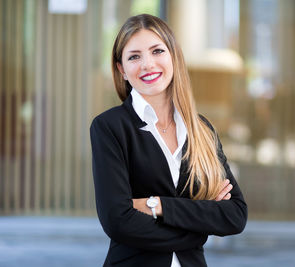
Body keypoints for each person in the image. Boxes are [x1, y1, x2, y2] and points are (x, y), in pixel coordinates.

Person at [90, 14, 247, 267]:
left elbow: (235, 215)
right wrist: (198, 226)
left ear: (173, 56)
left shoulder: (201, 129)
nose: (147, 64)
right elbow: (118, 221)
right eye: (134, 56)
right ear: (122, 69)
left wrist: (157, 205)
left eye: (157, 51)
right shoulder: (109, 127)